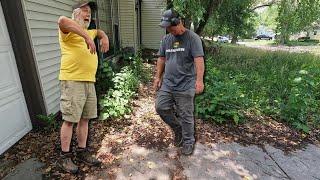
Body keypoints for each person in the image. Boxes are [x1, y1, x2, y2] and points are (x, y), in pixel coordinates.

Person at [57, 1, 109, 173]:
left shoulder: (90, 31)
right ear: (75, 13)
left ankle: (81, 152)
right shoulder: (67, 31)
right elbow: (62, 20)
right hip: (73, 81)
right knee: (70, 120)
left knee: (85, 119)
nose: (88, 15)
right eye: (85, 11)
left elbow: (99, 31)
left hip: (89, 82)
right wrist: (86, 37)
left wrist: (104, 36)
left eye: (90, 13)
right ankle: (64, 158)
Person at [154, 9, 205, 155]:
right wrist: (158, 77)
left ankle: (188, 141)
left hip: (186, 84)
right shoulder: (166, 39)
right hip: (168, 83)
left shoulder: (192, 38)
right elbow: (161, 58)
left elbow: (199, 60)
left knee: (186, 115)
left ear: (178, 22)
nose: (168, 30)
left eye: (170, 27)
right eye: (167, 28)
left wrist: (199, 80)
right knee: (160, 107)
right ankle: (178, 129)